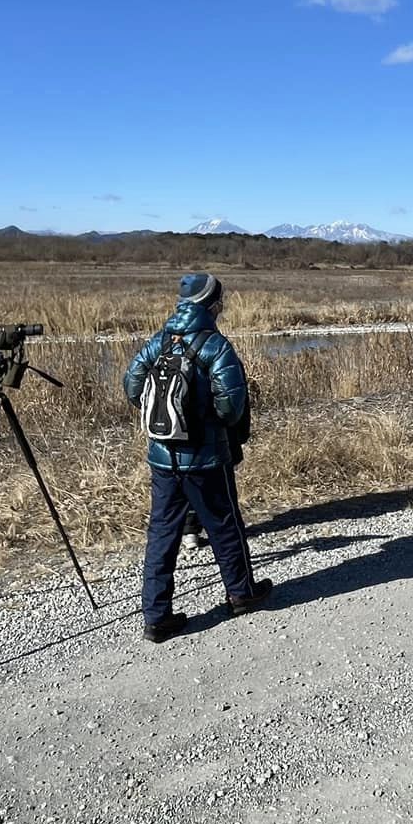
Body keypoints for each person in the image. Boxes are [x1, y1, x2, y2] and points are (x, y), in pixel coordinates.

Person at [123, 273, 273, 642]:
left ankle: (156, 617)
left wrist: (166, 419)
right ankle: (241, 594)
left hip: (162, 458)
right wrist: (210, 425)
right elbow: (231, 407)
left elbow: (132, 386)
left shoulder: (159, 340)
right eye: (221, 299)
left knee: (162, 533)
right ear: (212, 304)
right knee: (224, 525)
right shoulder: (215, 346)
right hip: (205, 459)